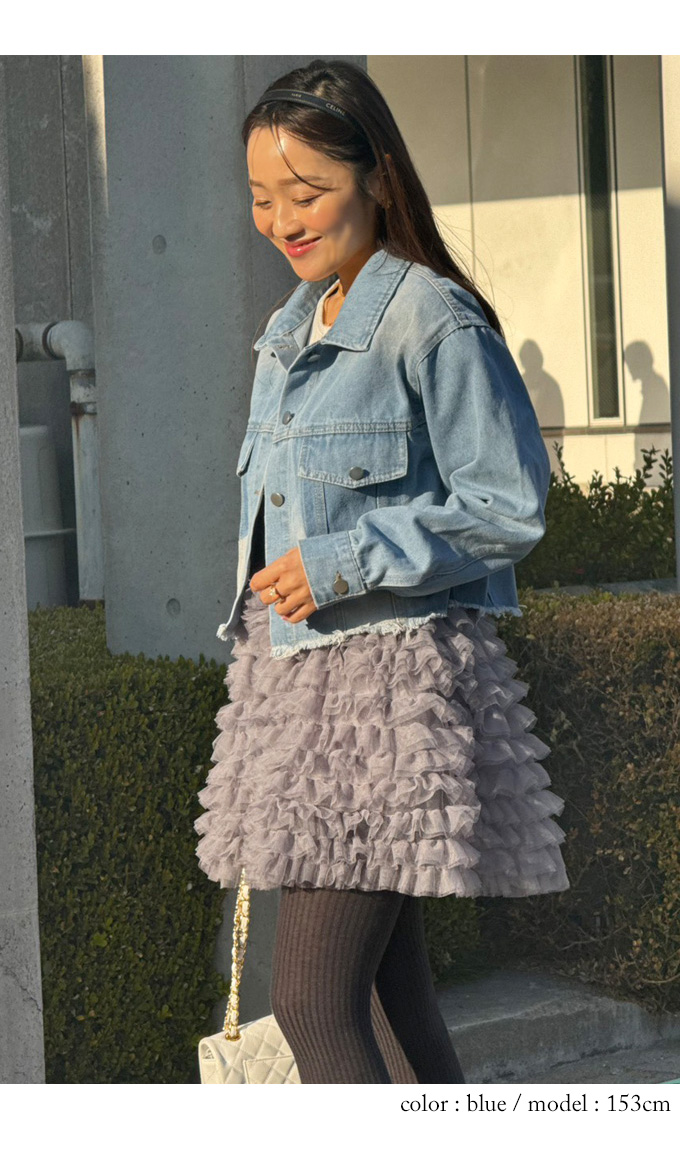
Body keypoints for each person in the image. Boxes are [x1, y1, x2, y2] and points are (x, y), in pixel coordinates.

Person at [195, 59, 570, 1085]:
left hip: (381, 699)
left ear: (376, 177)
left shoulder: (431, 319)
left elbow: (507, 505)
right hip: (298, 691)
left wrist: (340, 562)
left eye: (305, 192)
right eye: (262, 197)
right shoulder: (293, 328)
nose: (281, 221)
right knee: (384, 1001)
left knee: (314, 1002)